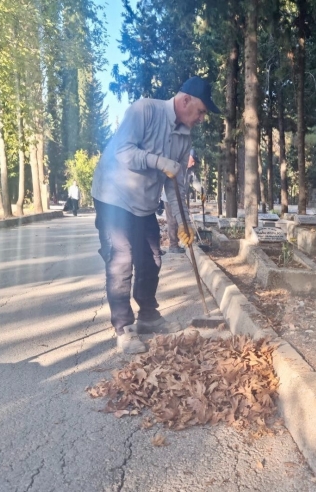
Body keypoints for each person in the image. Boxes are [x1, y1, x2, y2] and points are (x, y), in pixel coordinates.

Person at [90, 76, 220, 354]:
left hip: (145, 203)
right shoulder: (144, 110)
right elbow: (123, 152)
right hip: (114, 195)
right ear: (186, 101)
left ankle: (148, 316)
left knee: (152, 259)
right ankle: (124, 328)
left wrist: (184, 224)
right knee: (121, 260)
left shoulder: (184, 138)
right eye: (200, 111)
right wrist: (158, 162)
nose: (201, 118)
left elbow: (176, 185)